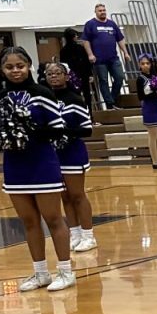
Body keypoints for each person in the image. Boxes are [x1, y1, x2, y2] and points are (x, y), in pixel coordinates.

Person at [0, 47, 74, 291]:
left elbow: (59, 128)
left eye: (20, 65)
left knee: (53, 218)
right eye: (9, 67)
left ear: (29, 65)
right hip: (15, 166)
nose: (15, 71)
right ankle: (41, 273)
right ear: (2, 70)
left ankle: (65, 271)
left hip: (42, 163)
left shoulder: (42, 94)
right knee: (28, 221)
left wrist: (26, 131)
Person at [42, 61, 96, 253]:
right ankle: (75, 234)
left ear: (66, 76)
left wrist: (64, 133)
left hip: (73, 153)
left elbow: (87, 129)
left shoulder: (75, 98)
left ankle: (89, 235)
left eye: (58, 73)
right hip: (54, 156)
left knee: (77, 195)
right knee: (64, 196)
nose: (54, 76)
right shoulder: (45, 98)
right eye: (50, 74)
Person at [81, 3, 127, 110]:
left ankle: (112, 98)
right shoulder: (91, 24)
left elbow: (120, 39)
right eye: (100, 11)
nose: (102, 12)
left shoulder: (112, 24)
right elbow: (85, 40)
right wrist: (90, 54)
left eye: (104, 10)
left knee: (120, 77)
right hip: (99, 59)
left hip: (113, 58)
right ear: (96, 12)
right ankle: (109, 103)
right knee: (103, 81)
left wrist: (125, 52)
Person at [136, 54, 157, 170]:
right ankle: (155, 162)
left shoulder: (154, 76)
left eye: (147, 63)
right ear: (139, 65)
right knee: (153, 135)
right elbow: (141, 96)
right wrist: (152, 90)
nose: (145, 65)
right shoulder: (141, 79)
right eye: (143, 63)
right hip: (149, 108)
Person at [59, 27, 94, 110]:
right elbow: (86, 62)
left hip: (71, 76)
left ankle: (77, 111)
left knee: (74, 94)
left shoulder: (63, 50)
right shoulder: (80, 48)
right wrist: (90, 74)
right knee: (87, 95)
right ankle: (90, 114)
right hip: (83, 74)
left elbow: (63, 65)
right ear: (74, 37)